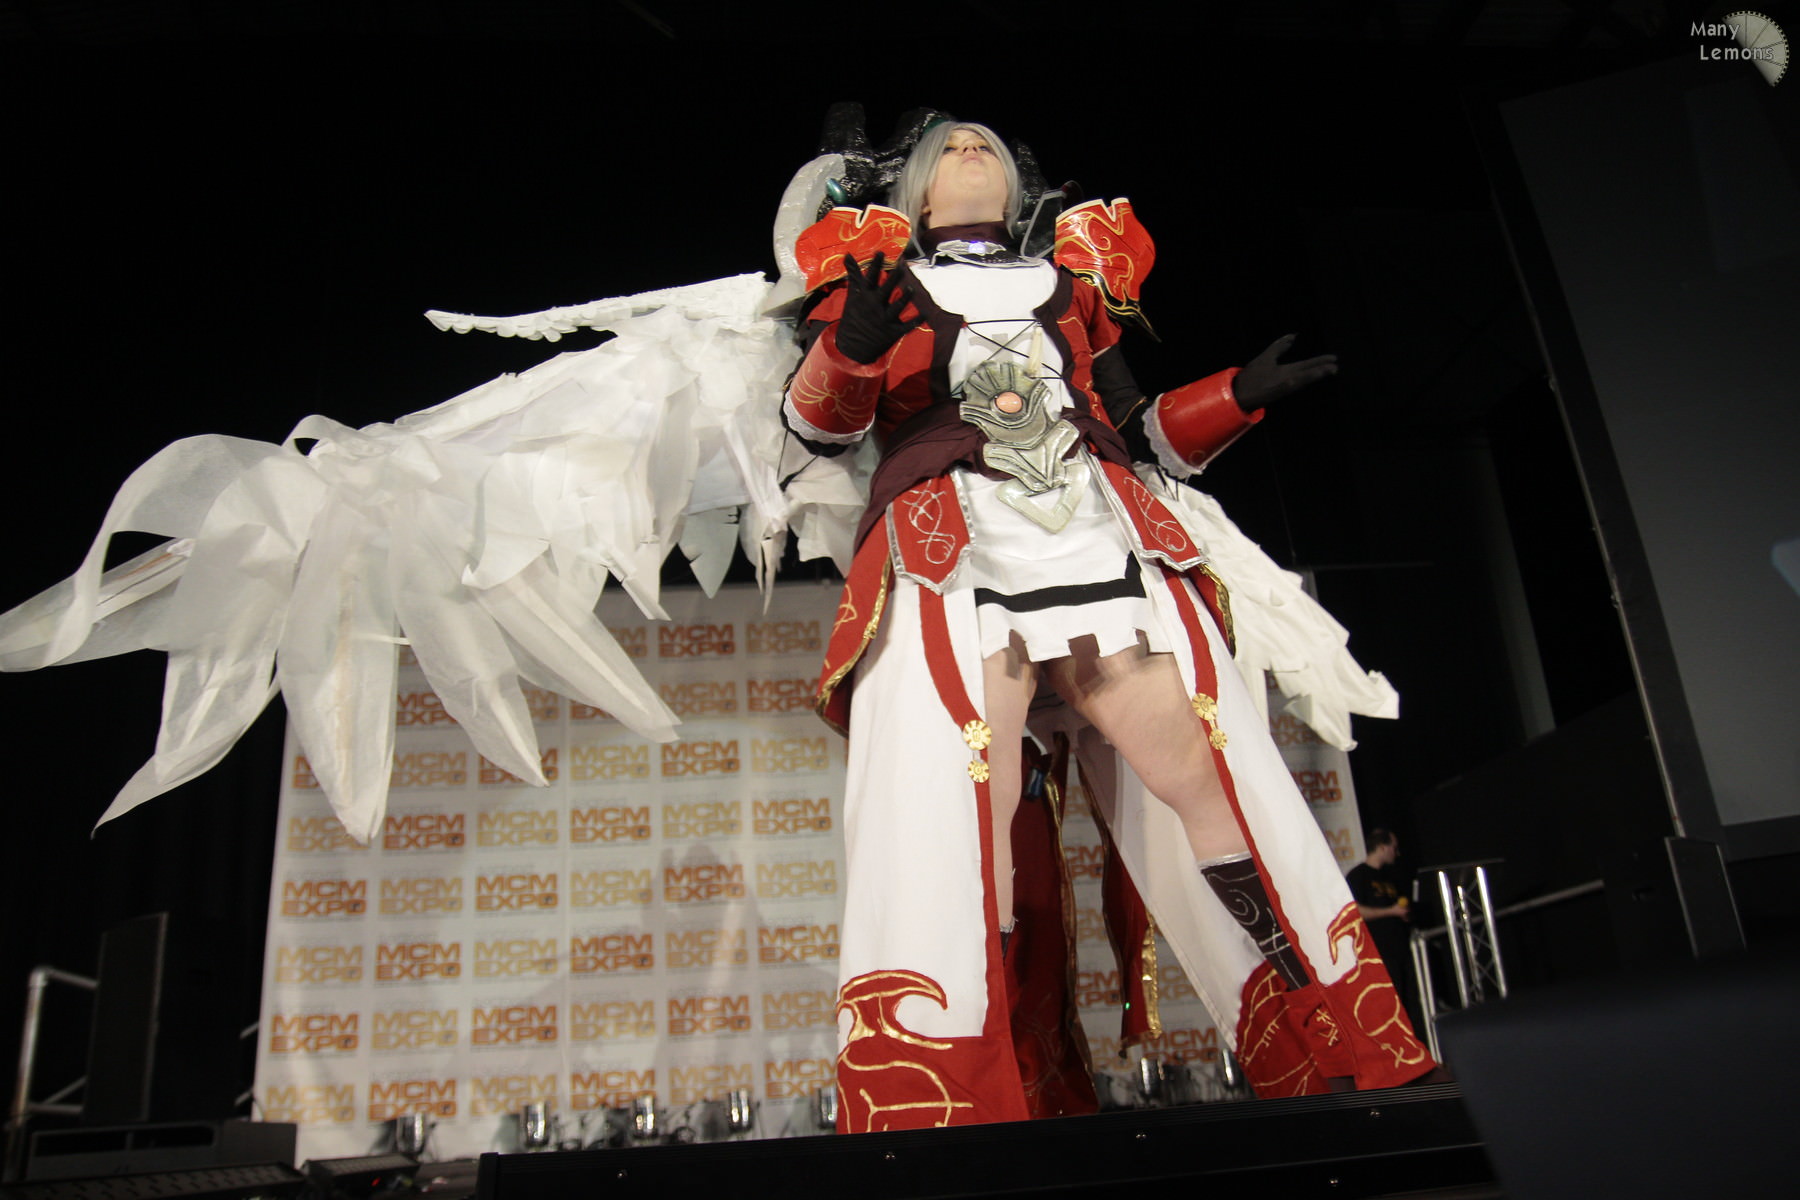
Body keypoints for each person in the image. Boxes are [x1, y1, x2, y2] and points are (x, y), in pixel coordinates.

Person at [783, 119, 1437, 1132]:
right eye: (950, 146)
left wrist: (1235, 398)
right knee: (971, 812)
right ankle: (973, 1100)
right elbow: (816, 430)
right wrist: (850, 346)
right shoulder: (873, 282)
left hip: (1098, 537)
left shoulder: (1076, 286)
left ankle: (1327, 1041)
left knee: (1206, 783)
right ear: (914, 189)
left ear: (1016, 186)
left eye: (986, 143)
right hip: (954, 545)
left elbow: (1136, 434)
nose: (972, 149)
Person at [1347, 828, 1423, 1030]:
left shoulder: (1390, 876)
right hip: (1380, 951)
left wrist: (1403, 913)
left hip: (1401, 948)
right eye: (1393, 848)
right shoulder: (1358, 876)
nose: (1396, 853)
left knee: (1412, 1000)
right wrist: (1391, 911)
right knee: (1391, 1002)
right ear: (1382, 847)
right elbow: (1356, 911)